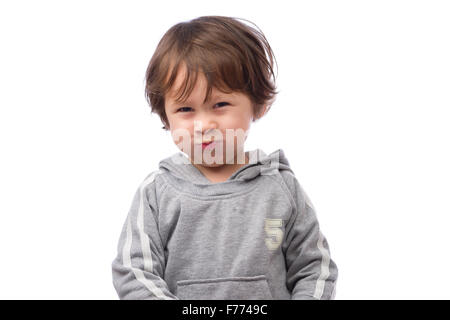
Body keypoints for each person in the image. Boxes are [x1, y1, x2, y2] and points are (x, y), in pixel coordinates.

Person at [111, 15, 338, 300]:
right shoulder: (156, 193)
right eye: (185, 110)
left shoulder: (281, 188)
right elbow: (134, 273)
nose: (203, 125)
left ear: (259, 104)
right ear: (165, 115)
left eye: (220, 104)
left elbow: (315, 268)